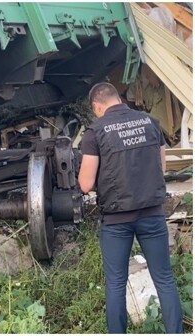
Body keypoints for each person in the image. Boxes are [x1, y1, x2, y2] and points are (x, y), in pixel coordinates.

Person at [78, 82, 183, 333]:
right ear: (119, 99)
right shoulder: (151, 123)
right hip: (152, 214)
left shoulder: (95, 133)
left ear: (96, 106)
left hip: (116, 220)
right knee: (165, 280)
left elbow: (85, 183)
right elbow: (162, 167)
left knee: (115, 283)